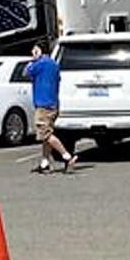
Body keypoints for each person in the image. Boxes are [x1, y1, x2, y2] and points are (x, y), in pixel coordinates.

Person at [26, 44, 77, 173]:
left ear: (39, 50)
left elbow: (26, 72)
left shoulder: (40, 63)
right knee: (47, 134)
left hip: (43, 104)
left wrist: (34, 59)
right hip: (53, 103)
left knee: (45, 134)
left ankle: (67, 157)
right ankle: (45, 162)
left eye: (33, 50)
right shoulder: (54, 64)